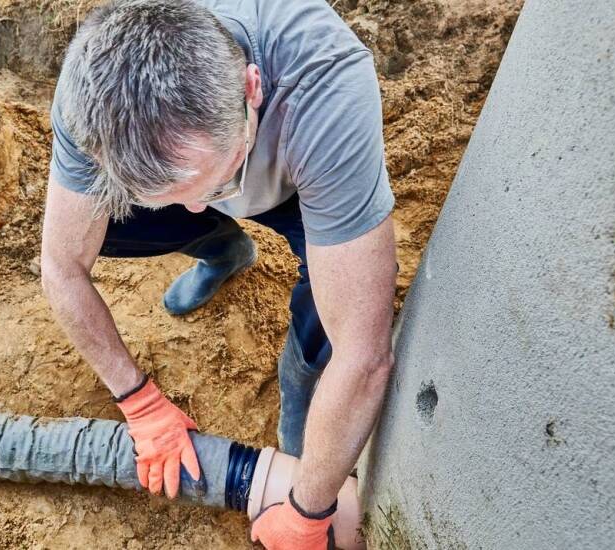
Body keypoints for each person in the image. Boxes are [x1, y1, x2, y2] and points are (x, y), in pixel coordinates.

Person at [39, 0, 396, 547]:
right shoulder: (94, 90)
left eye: (215, 186)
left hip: (296, 185)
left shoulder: (324, 91)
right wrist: (138, 401)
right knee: (101, 222)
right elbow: (62, 267)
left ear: (252, 86)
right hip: (217, 160)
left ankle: (300, 393)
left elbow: (364, 355)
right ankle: (223, 249)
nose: (196, 206)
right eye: (174, 197)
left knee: (328, 315)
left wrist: (306, 512)